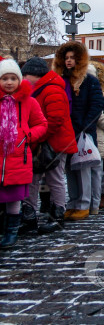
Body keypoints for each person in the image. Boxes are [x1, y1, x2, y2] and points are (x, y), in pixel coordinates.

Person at [21, 57, 77, 235]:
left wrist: (35, 137)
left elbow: (55, 120)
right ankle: (30, 216)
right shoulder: (41, 88)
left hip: (54, 143)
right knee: (34, 179)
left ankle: (58, 214)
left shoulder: (52, 89)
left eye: (25, 75)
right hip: (44, 141)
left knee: (55, 178)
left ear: (34, 74)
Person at [53, 42, 103, 221]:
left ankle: (84, 204)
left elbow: (96, 106)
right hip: (66, 131)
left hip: (83, 131)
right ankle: (73, 202)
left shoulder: (90, 81)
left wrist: (84, 126)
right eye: (66, 58)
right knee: (70, 169)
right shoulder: (61, 80)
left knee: (83, 169)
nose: (69, 61)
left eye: (73, 58)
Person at [0, 59, 47, 249]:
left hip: (18, 158)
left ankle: (12, 232)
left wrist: (27, 136)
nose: (9, 82)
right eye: (4, 78)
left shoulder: (29, 102)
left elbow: (42, 124)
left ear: (19, 80)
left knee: (13, 198)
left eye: (13, 78)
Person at [88, 63, 104, 216]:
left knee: (94, 171)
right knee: (95, 171)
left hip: (95, 137)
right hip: (95, 136)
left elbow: (99, 115)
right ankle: (93, 202)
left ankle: (93, 202)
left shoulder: (94, 94)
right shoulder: (97, 94)